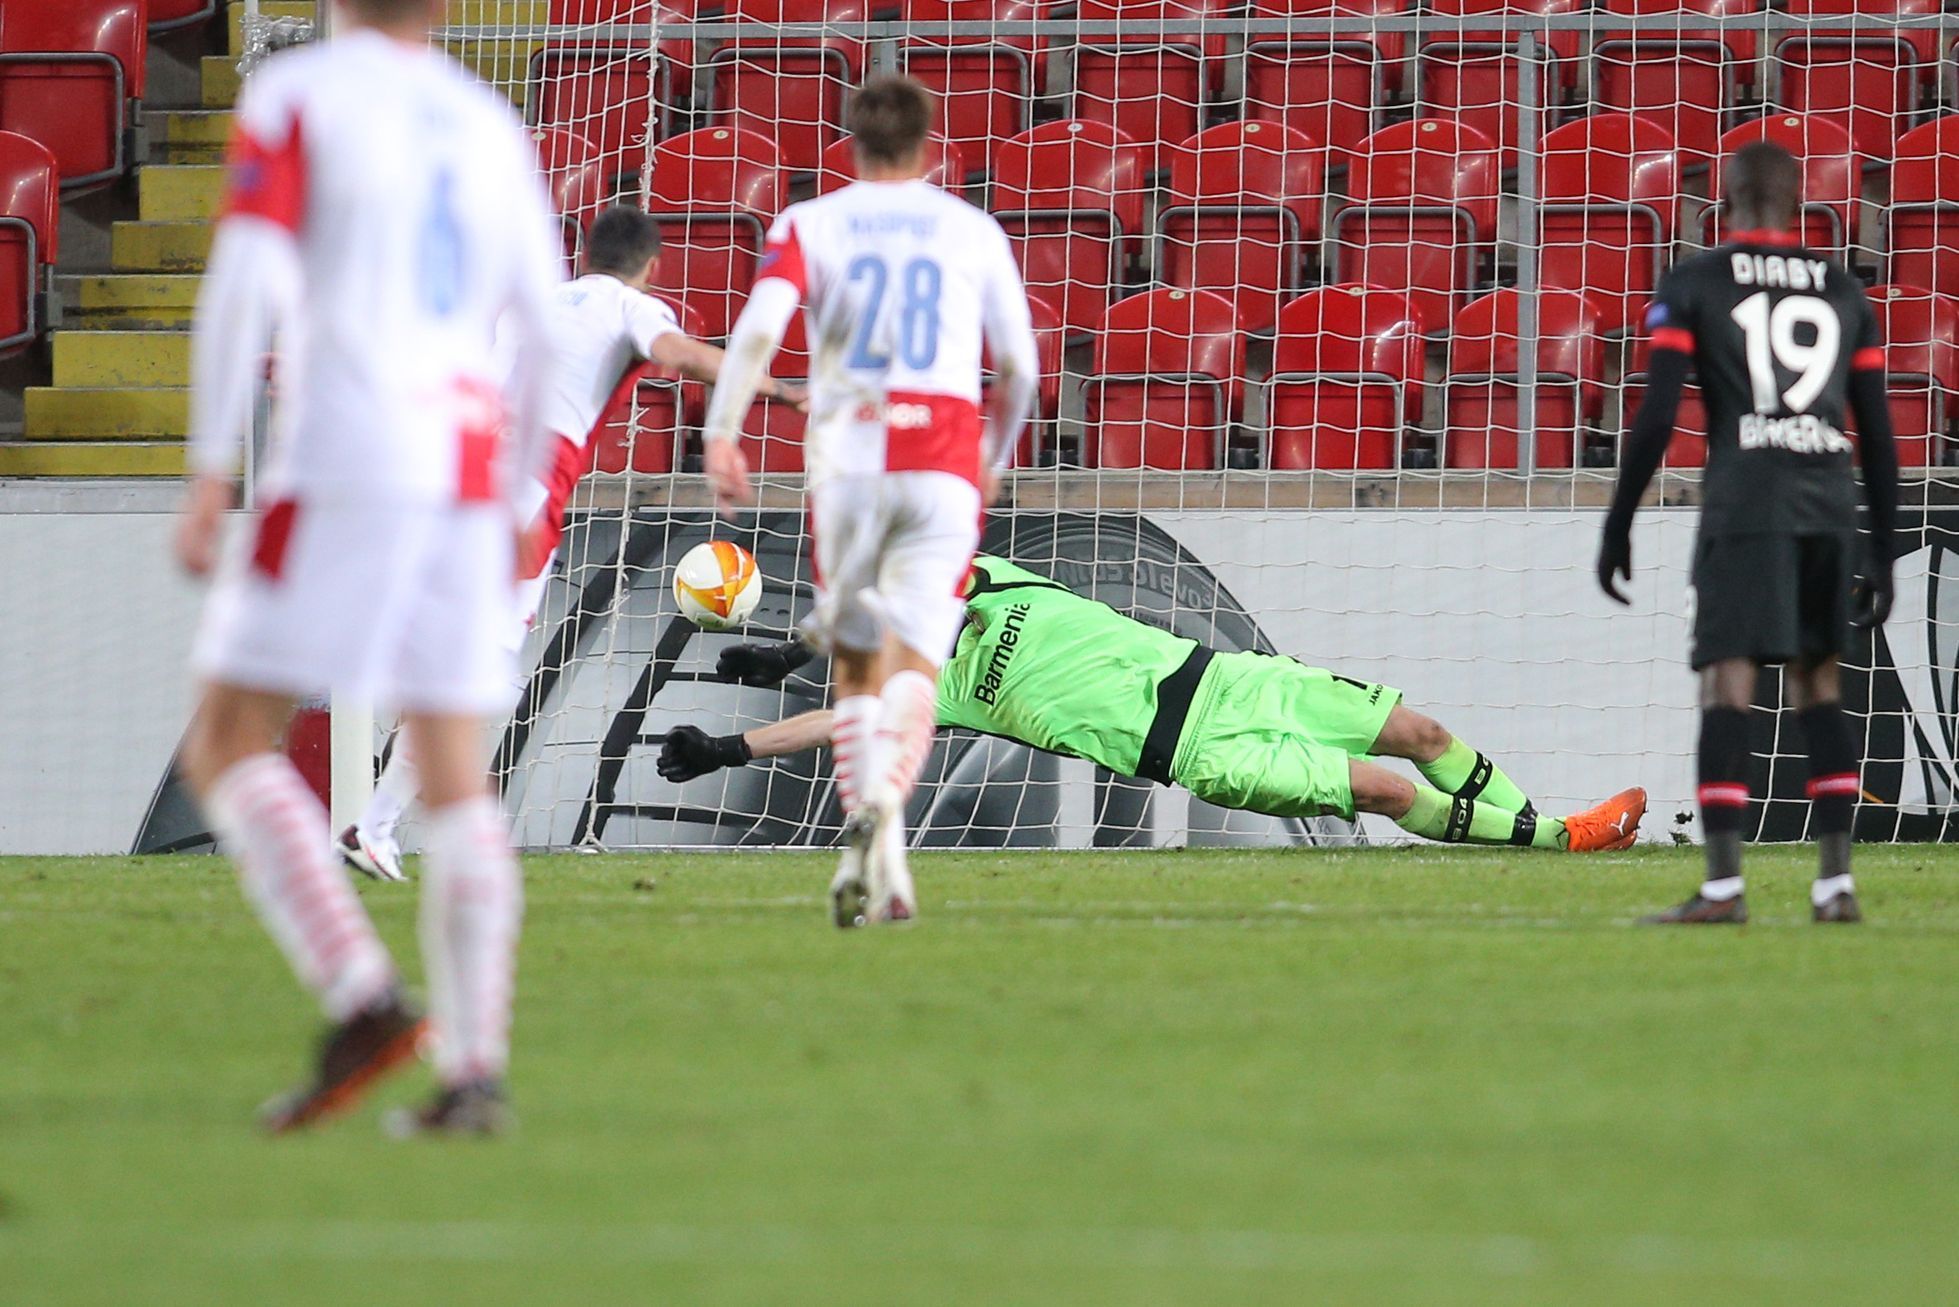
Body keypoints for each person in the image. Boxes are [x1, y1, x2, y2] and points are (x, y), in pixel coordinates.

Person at [173, 0, 563, 1134]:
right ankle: (475, 1071)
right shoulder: (488, 119)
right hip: (465, 462)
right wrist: (521, 493)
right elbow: (539, 325)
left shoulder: (301, 94)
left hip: (345, 446)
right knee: (454, 772)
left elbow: (244, 274)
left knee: (226, 738)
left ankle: (364, 994)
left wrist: (208, 467)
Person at [335, 207, 806, 882]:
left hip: (448, 474)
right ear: (652, 265)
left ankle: (387, 818)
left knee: (464, 663)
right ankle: (397, 826)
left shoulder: (524, 306)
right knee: (484, 672)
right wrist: (777, 388)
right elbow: (682, 355)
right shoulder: (626, 306)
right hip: (518, 494)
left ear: (583, 252)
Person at [659, 554, 1649, 857]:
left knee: (1420, 732)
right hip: (1192, 747)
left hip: (1224, 675)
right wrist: (726, 741)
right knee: (1386, 789)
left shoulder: (986, 580)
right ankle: (1561, 836)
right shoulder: (941, 690)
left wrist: (787, 643)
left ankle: (1557, 828)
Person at [700, 75, 1039, 927]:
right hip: (944, 461)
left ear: (846, 146)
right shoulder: (972, 229)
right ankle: (886, 820)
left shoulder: (810, 223)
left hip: (849, 464)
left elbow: (755, 331)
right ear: (932, 147)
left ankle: (876, 847)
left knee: (855, 664)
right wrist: (993, 457)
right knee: (915, 667)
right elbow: (1024, 369)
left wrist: (721, 431)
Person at [1597, 140, 1899, 925]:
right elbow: (1878, 429)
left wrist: (1619, 521)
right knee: (1817, 684)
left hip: (1746, 501)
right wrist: (1881, 547)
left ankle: (1724, 888)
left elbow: (1659, 413)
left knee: (1726, 681)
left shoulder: (1696, 279)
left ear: (1721, 202)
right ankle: (1835, 885)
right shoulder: (1843, 289)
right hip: (1827, 500)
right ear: (1801, 202)